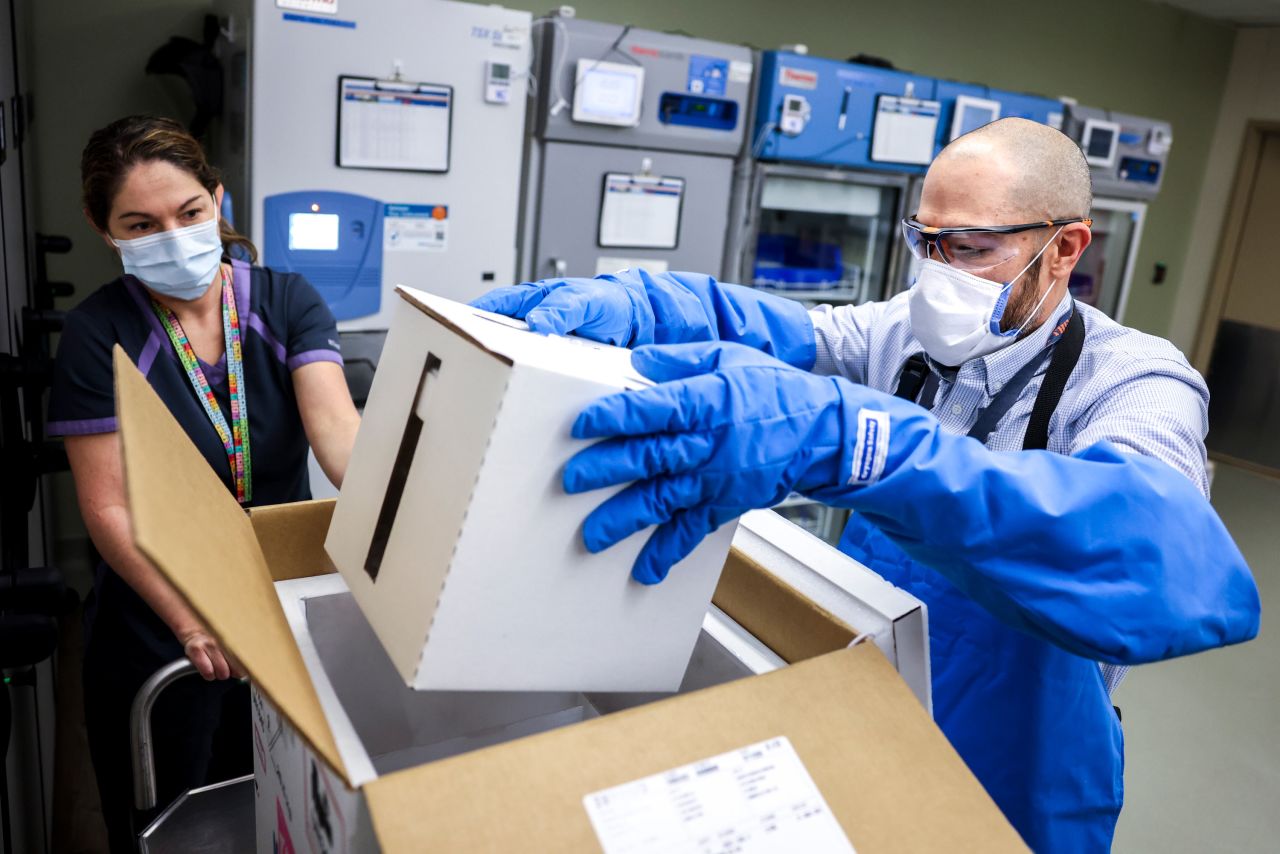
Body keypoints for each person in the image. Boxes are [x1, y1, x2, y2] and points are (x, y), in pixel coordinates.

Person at [473, 117, 1261, 851]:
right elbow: (776, 329)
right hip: (868, 703)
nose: (938, 277)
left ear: (1065, 249)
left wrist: (866, 443)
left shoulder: (1137, 382)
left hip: (1020, 760)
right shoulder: (902, 334)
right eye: (925, 241)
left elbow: (1154, 560)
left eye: (972, 249)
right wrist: (648, 304)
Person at [48, 115, 361, 852]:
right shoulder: (99, 335)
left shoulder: (285, 302)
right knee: (173, 816)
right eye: (141, 223)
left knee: (276, 804)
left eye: (189, 213)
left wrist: (409, 517)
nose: (174, 234)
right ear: (105, 228)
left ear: (217, 199)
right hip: (159, 619)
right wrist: (189, 617)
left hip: (276, 602)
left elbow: (339, 437)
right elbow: (111, 505)